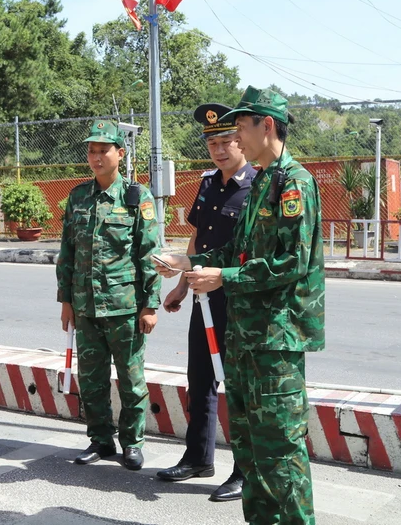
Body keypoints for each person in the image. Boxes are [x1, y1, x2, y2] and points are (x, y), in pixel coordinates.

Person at [154, 86, 325, 525]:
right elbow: (237, 252)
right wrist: (187, 261)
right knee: (250, 446)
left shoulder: (294, 183)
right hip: (247, 336)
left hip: (275, 337)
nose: (236, 139)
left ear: (266, 125)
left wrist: (222, 278)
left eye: (242, 128)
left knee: (281, 450)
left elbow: (291, 263)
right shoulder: (265, 180)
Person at [156, 103, 254, 503]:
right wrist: (181, 287)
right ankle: (198, 458)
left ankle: (244, 470)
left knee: (240, 386)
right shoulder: (209, 183)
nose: (218, 149)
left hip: (240, 299)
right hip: (203, 297)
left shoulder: (257, 185)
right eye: (212, 142)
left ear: (242, 141)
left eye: (226, 140)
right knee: (201, 379)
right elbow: (197, 240)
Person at [56, 120, 161, 471]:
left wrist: (150, 305)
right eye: (92, 150)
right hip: (86, 308)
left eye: (104, 150)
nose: (97, 156)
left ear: (120, 153)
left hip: (125, 308)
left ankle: (132, 443)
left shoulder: (137, 197)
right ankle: (100, 440)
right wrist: (66, 302)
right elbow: (67, 252)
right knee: (92, 381)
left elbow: (149, 254)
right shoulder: (78, 196)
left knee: (131, 380)